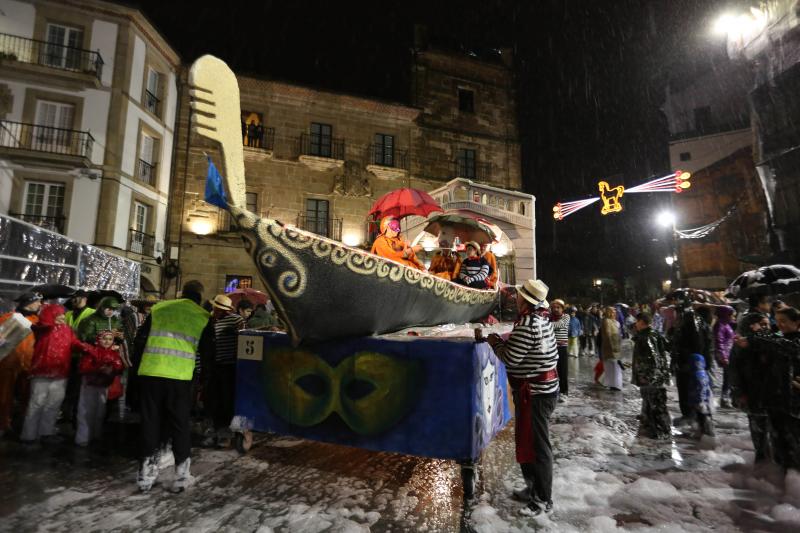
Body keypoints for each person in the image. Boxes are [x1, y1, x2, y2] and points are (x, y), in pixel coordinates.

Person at [486, 279, 558, 516]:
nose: (515, 298)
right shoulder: (540, 319)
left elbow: (511, 358)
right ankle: (533, 487)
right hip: (540, 391)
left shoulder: (528, 324)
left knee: (538, 446)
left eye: (518, 296)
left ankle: (542, 499)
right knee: (528, 440)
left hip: (537, 393)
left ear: (525, 301)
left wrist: (493, 341)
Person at [135, 280, 210, 492]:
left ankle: (145, 476)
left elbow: (140, 340)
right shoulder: (203, 316)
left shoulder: (159, 308)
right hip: (180, 377)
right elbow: (207, 354)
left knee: (150, 422)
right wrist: (204, 379)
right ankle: (180, 476)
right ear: (199, 297)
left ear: (181, 293)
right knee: (180, 425)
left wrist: (136, 372)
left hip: (150, 372)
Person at [20, 304, 94, 444]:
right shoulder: (42, 328)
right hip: (42, 371)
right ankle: (29, 435)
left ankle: (46, 432)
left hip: (60, 372)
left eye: (62, 314)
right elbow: (38, 327)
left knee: (53, 403)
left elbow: (75, 343)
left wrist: (90, 349)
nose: (62, 317)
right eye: (58, 314)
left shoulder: (67, 330)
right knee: (37, 403)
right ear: (50, 315)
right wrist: (48, 319)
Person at [203, 294, 245, 447]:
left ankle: (225, 434)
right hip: (214, 365)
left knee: (227, 401)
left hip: (230, 366)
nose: (217, 311)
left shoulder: (236, 320)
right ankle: (213, 431)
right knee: (213, 400)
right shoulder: (210, 320)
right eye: (216, 308)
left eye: (220, 309)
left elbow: (243, 339)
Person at [730, 313, 773, 462]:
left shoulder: (770, 342)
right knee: (758, 429)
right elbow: (735, 372)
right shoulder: (741, 346)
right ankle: (762, 459)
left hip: (771, 394)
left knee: (771, 430)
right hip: (753, 393)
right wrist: (739, 393)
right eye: (763, 324)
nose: (767, 327)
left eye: (767, 324)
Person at [0, 292, 42, 437]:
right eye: (37, 302)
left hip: (29, 364)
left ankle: (25, 424)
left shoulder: (38, 321)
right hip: (8, 364)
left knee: (27, 396)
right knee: (4, 396)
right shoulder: (7, 318)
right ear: (28, 303)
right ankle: (3, 424)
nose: (40, 305)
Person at [75, 331, 124, 447]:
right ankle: (83, 438)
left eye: (110, 339)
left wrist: (113, 369)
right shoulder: (92, 352)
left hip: (103, 387)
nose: (107, 341)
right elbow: (83, 368)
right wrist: (98, 368)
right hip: (89, 386)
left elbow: (119, 367)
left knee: (99, 412)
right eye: (104, 339)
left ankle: (96, 435)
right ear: (98, 340)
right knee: (86, 411)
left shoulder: (114, 354)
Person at [631, 312, 671, 439]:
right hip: (655, 375)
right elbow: (666, 347)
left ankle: (661, 431)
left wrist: (645, 374)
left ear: (642, 322)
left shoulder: (646, 337)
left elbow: (651, 357)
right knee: (651, 401)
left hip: (651, 377)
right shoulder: (655, 334)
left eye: (637, 322)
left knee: (656, 404)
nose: (635, 324)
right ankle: (650, 424)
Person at [714, 306, 736, 408]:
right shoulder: (720, 325)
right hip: (726, 355)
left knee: (730, 378)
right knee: (728, 378)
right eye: (731, 315)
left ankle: (728, 398)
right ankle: (725, 399)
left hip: (730, 354)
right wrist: (723, 356)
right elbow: (719, 342)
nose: (733, 317)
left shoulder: (726, 324)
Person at [549, 299, 570, 399]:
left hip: (562, 348)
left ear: (562, 308)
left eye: (558, 307)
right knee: (552, 370)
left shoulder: (566, 317)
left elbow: (560, 325)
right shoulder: (549, 317)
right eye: (554, 308)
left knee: (563, 371)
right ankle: (553, 390)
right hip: (551, 347)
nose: (556, 309)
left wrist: (547, 325)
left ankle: (564, 392)